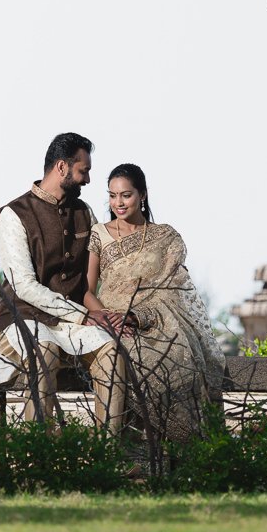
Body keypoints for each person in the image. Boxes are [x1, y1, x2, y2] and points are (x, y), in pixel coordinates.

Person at [0, 132, 128, 431]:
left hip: (73, 324)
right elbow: (24, 287)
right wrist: (84, 316)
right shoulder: (13, 215)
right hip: (26, 317)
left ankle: (106, 458)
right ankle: (38, 455)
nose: (87, 180)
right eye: (84, 171)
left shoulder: (84, 213)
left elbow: (98, 270)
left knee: (112, 352)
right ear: (62, 167)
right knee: (43, 351)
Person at [85, 163, 224, 441]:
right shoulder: (99, 233)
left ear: (142, 195)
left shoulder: (166, 236)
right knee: (126, 356)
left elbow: (174, 290)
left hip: (156, 321)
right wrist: (108, 318)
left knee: (179, 358)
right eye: (112, 196)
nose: (118, 203)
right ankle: (131, 448)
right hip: (112, 324)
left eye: (126, 195)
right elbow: (86, 290)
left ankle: (182, 446)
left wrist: (138, 316)